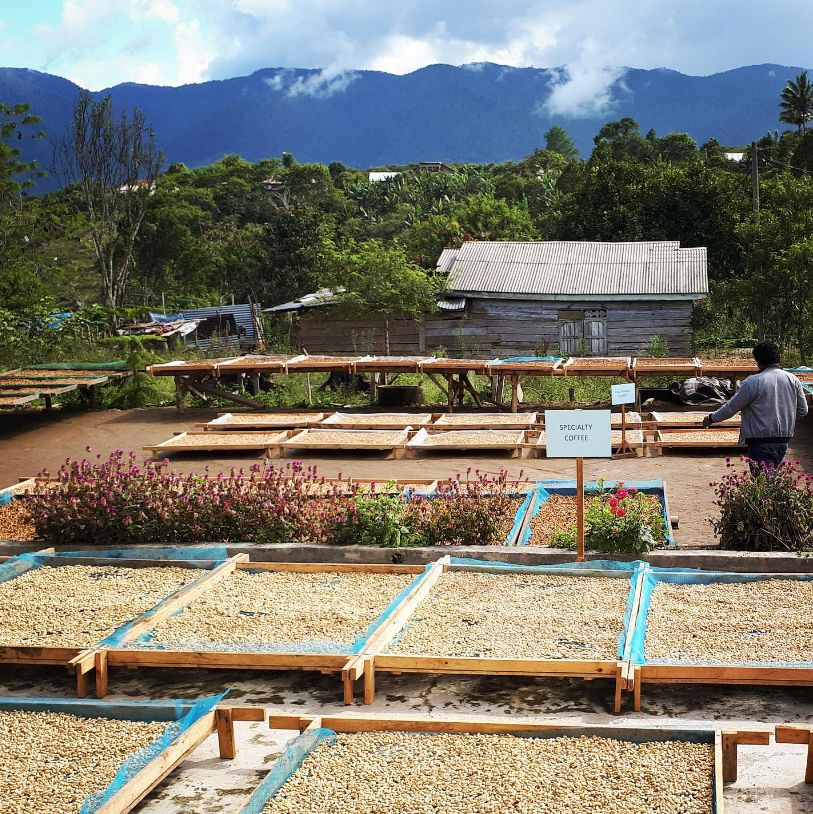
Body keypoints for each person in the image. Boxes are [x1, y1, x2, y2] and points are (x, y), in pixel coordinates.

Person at [702, 341, 808, 470]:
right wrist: (784, 417)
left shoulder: (753, 382)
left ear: (757, 361)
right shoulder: (793, 379)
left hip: (759, 443)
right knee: (771, 481)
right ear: (779, 358)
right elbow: (803, 410)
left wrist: (712, 418)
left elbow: (731, 408)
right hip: (783, 441)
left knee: (763, 484)